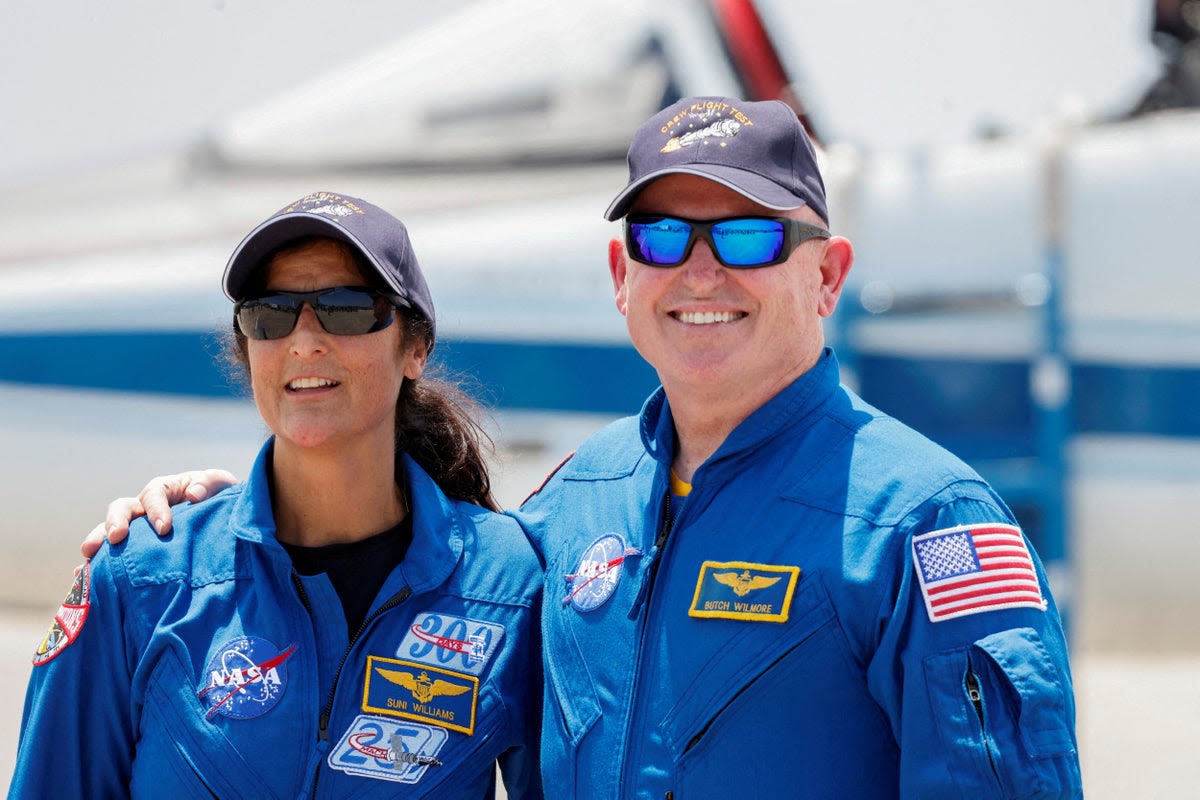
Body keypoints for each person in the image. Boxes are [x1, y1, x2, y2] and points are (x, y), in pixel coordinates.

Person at [83, 97, 1082, 797]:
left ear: (827, 277)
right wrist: (212, 528)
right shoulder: (573, 509)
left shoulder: (925, 522)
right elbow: (411, 581)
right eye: (660, 239)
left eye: (744, 239)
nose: (699, 271)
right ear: (620, 273)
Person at [12, 192, 543, 798]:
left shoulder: (511, 586)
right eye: (271, 314)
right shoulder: (141, 580)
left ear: (416, 348)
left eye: (346, 309)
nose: (304, 341)